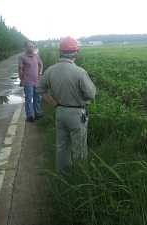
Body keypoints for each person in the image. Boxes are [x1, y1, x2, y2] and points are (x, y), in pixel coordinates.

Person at [36, 36, 96, 176]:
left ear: (60, 52)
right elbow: (91, 94)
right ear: (76, 53)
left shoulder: (50, 70)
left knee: (62, 146)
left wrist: (53, 103)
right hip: (76, 114)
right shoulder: (79, 72)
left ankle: (62, 175)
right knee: (79, 148)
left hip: (60, 111)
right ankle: (80, 177)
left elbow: (40, 89)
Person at [18, 40, 44, 122]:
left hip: (36, 81)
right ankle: (29, 116)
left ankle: (37, 114)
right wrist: (22, 79)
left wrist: (40, 73)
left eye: (32, 46)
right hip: (28, 82)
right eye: (29, 47)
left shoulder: (36, 56)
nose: (31, 48)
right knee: (28, 99)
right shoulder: (22, 57)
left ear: (34, 47)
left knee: (37, 98)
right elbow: (20, 69)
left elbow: (41, 64)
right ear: (25, 47)